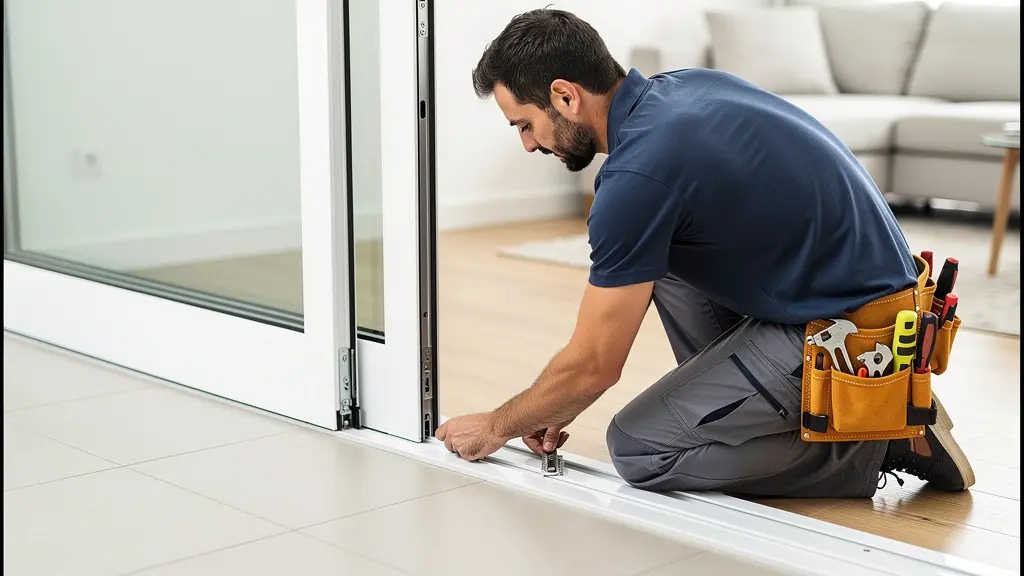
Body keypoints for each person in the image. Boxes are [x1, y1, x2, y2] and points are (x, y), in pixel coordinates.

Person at [435, 8, 974, 497]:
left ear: (565, 96)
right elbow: (597, 349)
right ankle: (822, 410)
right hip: (867, 300)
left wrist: (497, 425)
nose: (528, 144)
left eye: (525, 124)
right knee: (663, 261)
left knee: (639, 448)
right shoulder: (684, 89)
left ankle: (871, 443)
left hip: (848, 333)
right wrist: (559, 402)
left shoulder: (636, 178)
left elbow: (595, 364)